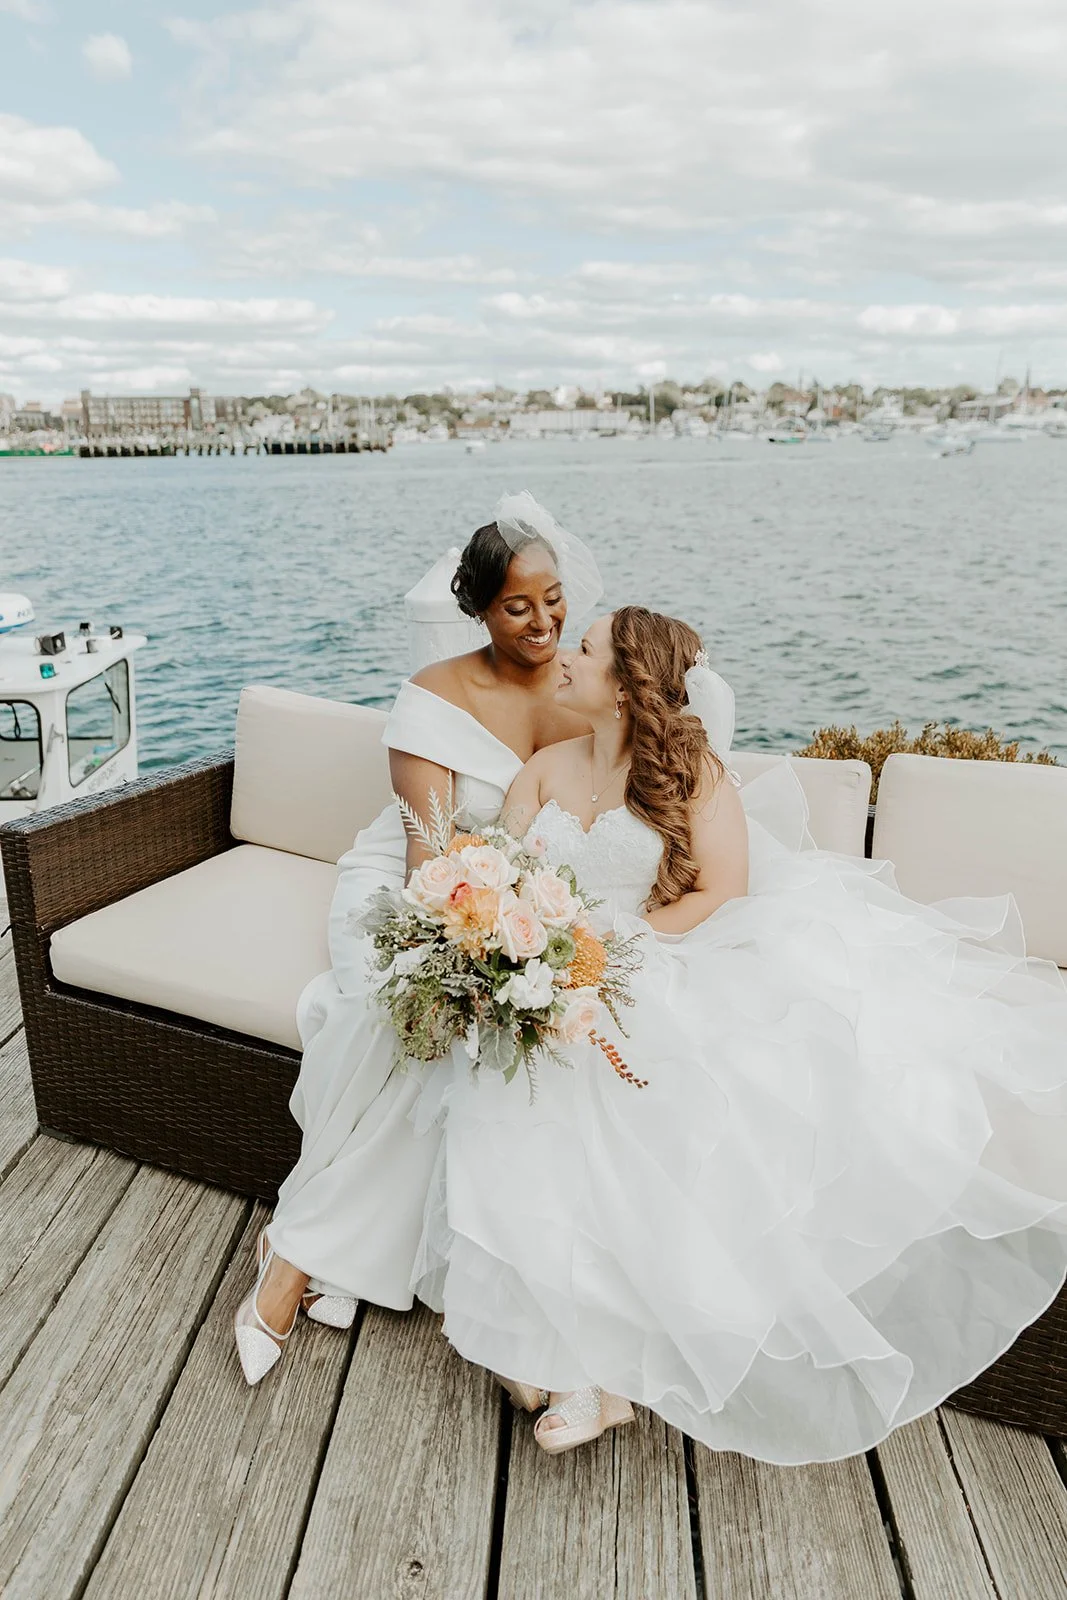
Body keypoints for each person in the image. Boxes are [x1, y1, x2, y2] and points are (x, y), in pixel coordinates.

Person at [411, 606, 1067, 1463]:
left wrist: (605, 959)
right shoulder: (540, 769)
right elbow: (510, 877)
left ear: (622, 684)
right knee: (510, 1082)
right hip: (557, 965)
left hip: (659, 953)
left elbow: (719, 891)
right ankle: (557, 1343)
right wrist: (505, 940)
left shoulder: (693, 776)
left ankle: (604, 1364)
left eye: (586, 649)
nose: (564, 658)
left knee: (649, 1083)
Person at [233, 492, 601, 1384]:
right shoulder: (434, 697)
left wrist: (531, 924)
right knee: (400, 1012)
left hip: (526, 902)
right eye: (518, 607)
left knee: (474, 1040)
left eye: (554, 600)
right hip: (414, 889)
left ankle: (308, 1253)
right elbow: (426, 849)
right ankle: (301, 1261)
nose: (544, 621)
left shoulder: (588, 688)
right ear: (476, 609)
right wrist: (461, 941)